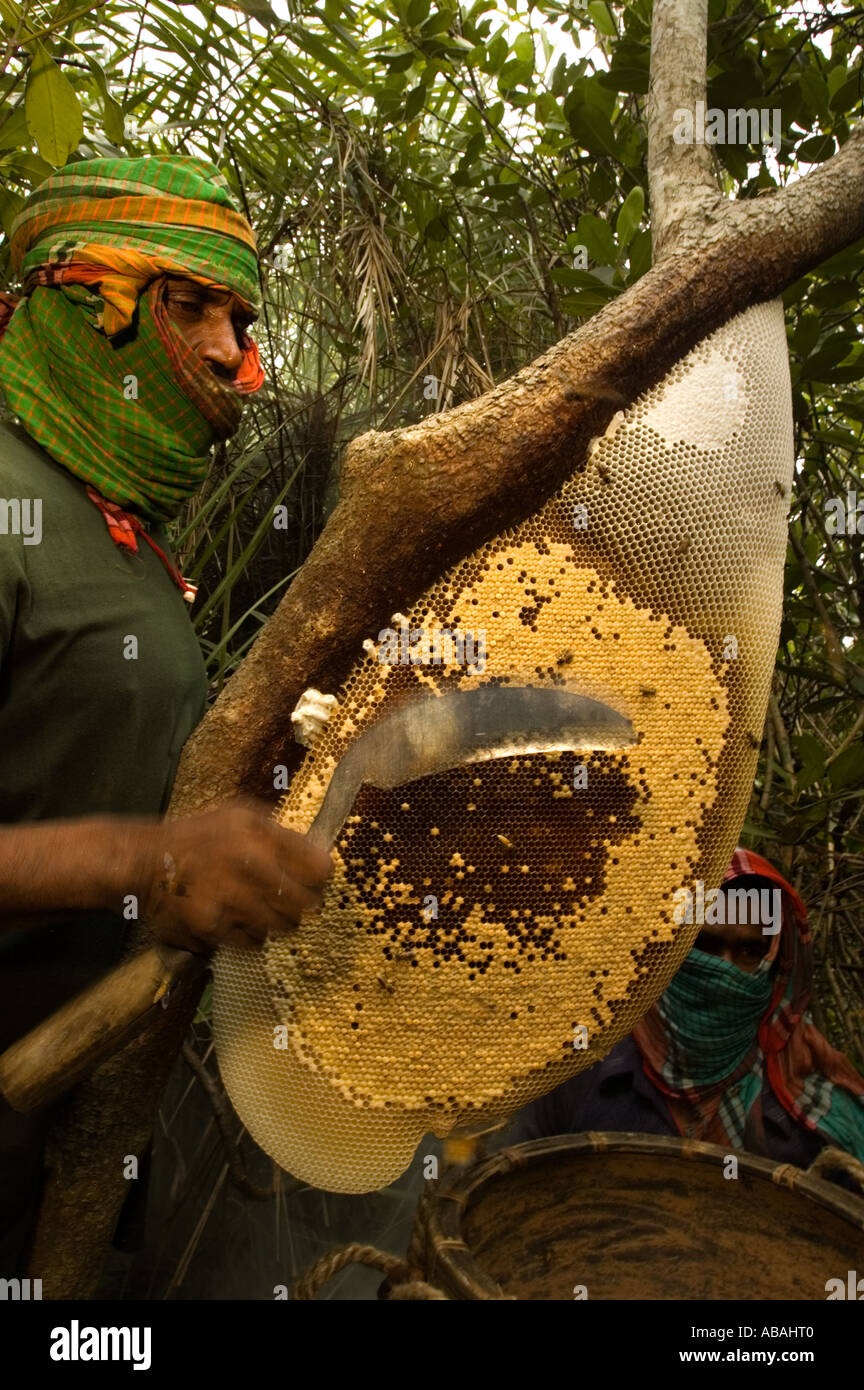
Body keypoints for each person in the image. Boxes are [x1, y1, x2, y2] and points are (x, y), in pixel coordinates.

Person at [0, 155, 332, 1272]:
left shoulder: (121, 527)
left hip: (83, 1104)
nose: (230, 351)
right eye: (190, 304)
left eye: (240, 316)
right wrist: (148, 857)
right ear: (83, 301)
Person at [509, 848, 864, 1167]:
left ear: (773, 963)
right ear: (667, 947)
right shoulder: (577, 1065)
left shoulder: (811, 1100)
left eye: (747, 952)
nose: (723, 970)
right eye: (705, 945)